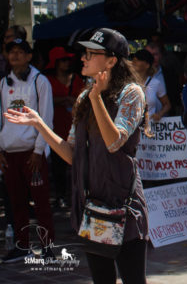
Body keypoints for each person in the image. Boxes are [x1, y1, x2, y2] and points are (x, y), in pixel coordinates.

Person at [4, 28, 149, 284]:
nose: (83, 58)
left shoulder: (131, 93)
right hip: (92, 207)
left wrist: (96, 98)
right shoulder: (85, 96)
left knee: (133, 279)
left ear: (111, 60)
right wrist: (39, 124)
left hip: (124, 207)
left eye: (91, 54)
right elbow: (73, 155)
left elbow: (115, 141)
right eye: (85, 53)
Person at [0, 38, 56, 263]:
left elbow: (47, 117)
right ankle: (22, 246)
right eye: (11, 52)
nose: (15, 55)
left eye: (19, 52)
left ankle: (48, 247)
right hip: (10, 151)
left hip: (33, 152)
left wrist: (39, 150)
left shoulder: (39, 81)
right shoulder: (3, 83)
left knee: (41, 202)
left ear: (29, 56)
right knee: (16, 202)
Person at [44, 46, 85, 208]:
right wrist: (63, 100)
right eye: (63, 60)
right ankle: (61, 196)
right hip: (55, 128)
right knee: (58, 167)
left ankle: (76, 196)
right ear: (55, 62)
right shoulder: (47, 81)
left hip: (75, 127)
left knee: (76, 165)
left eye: (68, 60)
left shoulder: (77, 78)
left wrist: (73, 101)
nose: (67, 63)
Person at [132, 49, 171, 122]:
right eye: (133, 59)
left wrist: (159, 114)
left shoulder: (156, 83)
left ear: (147, 65)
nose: (134, 62)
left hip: (149, 127)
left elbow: (167, 104)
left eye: (138, 60)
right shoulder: (127, 82)